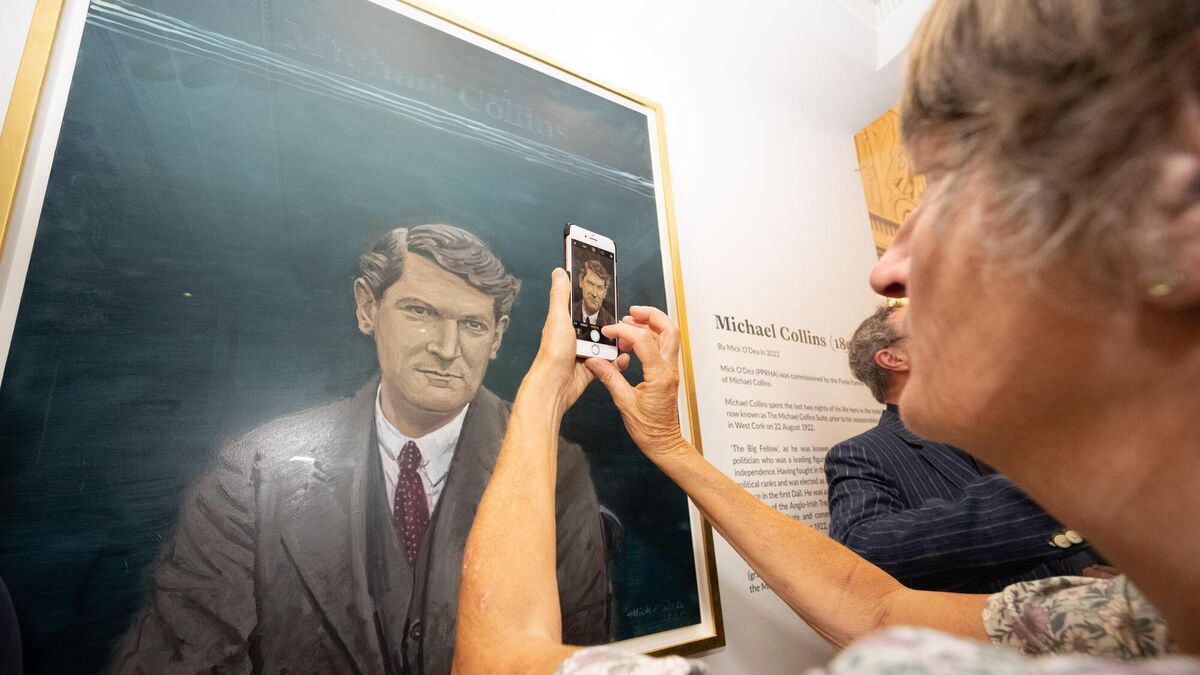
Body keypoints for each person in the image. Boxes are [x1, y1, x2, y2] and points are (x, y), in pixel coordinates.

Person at [454, 0, 1200, 671]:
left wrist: (541, 392)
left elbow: (496, 660)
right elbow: (875, 609)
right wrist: (670, 446)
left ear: (1173, 209)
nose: (887, 270)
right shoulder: (1130, 619)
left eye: (942, 185)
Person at [112, 225, 609, 674]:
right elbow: (183, 656)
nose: (446, 347)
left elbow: (577, 651)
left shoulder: (558, 469)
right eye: (420, 312)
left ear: (497, 336)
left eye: (472, 325)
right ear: (367, 308)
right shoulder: (255, 471)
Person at [826, 303, 1100, 592]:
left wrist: (1093, 572)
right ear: (893, 358)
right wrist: (1048, 500)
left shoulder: (1004, 433)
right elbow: (865, 550)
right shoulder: (861, 454)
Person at [573, 259, 615, 327]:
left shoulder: (612, 324)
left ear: (605, 292)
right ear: (581, 281)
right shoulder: (567, 312)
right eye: (590, 284)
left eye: (599, 288)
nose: (594, 294)